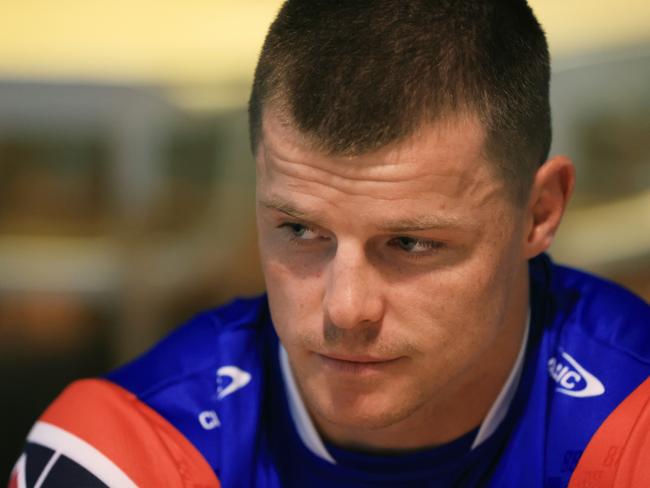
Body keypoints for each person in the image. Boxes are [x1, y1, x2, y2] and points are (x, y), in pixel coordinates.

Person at [9, 1, 650, 487]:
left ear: (539, 213)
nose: (344, 310)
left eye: (409, 243)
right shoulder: (122, 454)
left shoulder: (631, 427)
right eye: (301, 231)